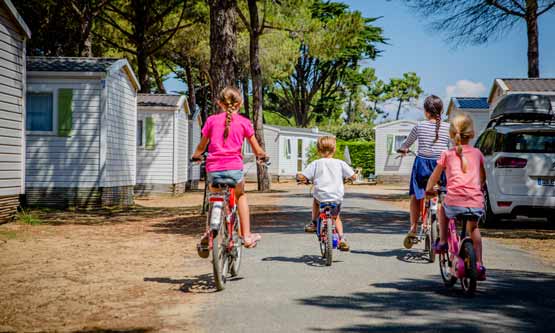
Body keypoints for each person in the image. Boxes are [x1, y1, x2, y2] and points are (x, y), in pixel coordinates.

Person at [192, 87, 267, 248]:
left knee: (214, 198)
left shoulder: (211, 121)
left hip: (214, 170)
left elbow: (201, 146)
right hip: (234, 169)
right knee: (240, 195)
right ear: (239, 103)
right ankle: (246, 235)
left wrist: (196, 156)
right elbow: (257, 149)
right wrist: (262, 156)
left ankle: (209, 231)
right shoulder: (244, 122)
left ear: (219, 103)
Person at [426, 112, 486, 280]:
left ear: (452, 134)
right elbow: (483, 178)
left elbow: (435, 177)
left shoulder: (447, 154)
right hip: (475, 200)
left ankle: (444, 241)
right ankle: (479, 264)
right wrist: (478, 188)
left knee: (443, 210)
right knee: (473, 229)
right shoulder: (477, 153)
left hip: (454, 201)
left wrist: (429, 189)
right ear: (472, 133)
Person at [398, 95, 450, 247]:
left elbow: (406, 144)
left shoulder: (419, 126)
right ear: (441, 111)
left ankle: (413, 227)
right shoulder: (448, 127)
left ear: (426, 112)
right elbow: (453, 145)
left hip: (422, 166)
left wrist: (403, 149)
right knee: (443, 195)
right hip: (442, 166)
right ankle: (442, 224)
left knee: (416, 196)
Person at [297, 136, 357, 252]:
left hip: (321, 197)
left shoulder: (316, 163)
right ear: (334, 149)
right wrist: (353, 177)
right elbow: (353, 176)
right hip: (336, 197)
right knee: (336, 217)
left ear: (318, 150)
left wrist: (300, 177)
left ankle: (314, 223)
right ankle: (342, 239)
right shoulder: (340, 163)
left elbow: (303, 176)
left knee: (315, 200)